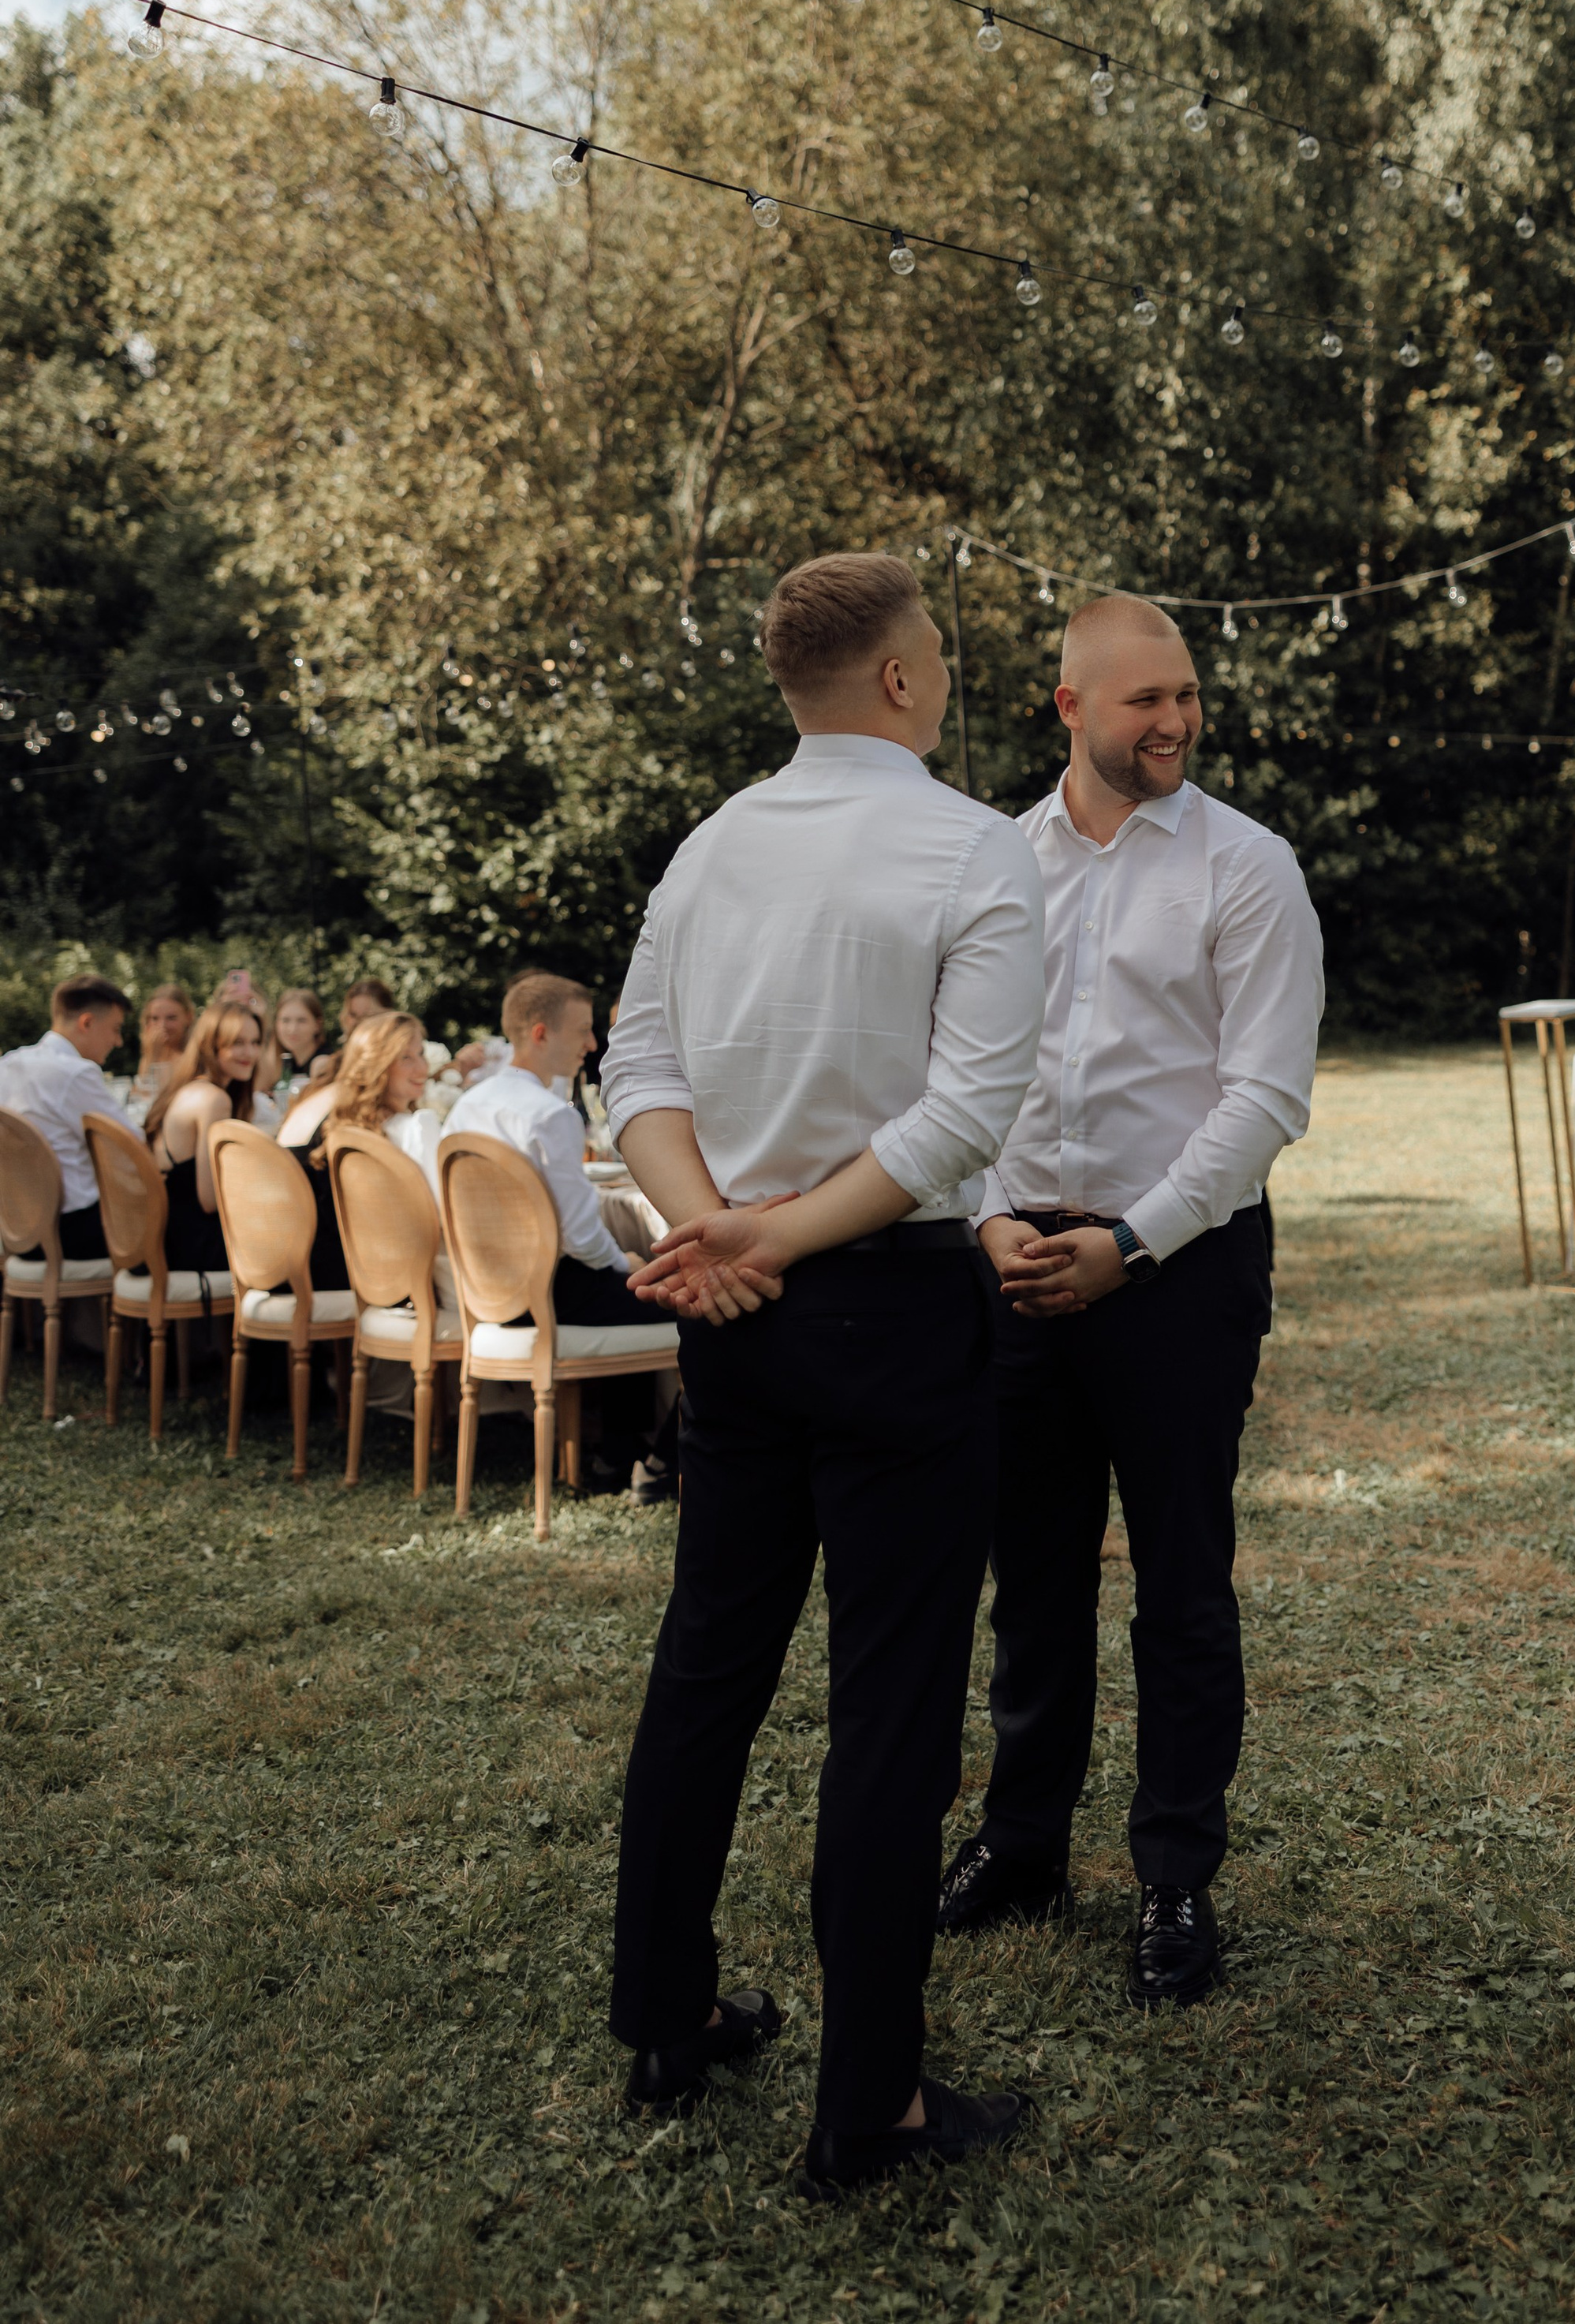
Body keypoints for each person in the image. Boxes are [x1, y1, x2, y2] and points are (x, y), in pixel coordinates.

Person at [600, 551, 1046, 2201]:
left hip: (736, 1312)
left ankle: (663, 2016)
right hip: (888, 1307)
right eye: (937, 654)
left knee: (707, 1667)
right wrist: (761, 1239)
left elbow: (632, 1066)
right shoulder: (971, 845)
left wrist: (714, 1226)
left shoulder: (712, 846)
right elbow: (959, 1123)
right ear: (902, 681)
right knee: (891, 1710)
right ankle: (870, 2112)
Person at [939, 593, 1324, 2012]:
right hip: (1015, 1266)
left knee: (1179, 1581)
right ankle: (1023, 1846)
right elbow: (961, 1068)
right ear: (1069, 710)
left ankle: (1173, 1875)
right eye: (1142, 699)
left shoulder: (1248, 867)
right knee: (1030, 1579)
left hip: (1181, 1265)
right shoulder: (992, 862)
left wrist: (1136, 1243)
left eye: (1187, 696)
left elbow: (1263, 1095)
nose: (1172, 722)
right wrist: (984, 1221)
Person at [440, 973, 645, 1317]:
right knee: (691, 1308)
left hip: (485, 1291)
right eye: (583, 1030)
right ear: (541, 1034)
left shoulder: (468, 1104)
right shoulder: (549, 1115)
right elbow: (580, 1237)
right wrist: (623, 1262)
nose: (593, 1044)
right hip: (553, 1294)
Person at [279, 1008, 443, 1287]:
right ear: (377, 1065)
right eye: (405, 1057)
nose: (422, 1068)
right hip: (336, 1274)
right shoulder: (373, 1129)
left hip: (287, 1267)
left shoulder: (327, 1102)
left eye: (421, 1054)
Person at [0, 973, 140, 1261]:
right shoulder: (75, 1072)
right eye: (115, 1029)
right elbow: (131, 1146)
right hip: (72, 1234)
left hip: (16, 1231)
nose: (117, 1041)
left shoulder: (8, 1064)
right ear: (87, 1023)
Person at [146, 999, 265, 1279]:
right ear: (212, 1046)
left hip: (167, 1238)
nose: (249, 1052)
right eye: (237, 1043)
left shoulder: (187, 1088)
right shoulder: (214, 1100)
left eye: (255, 1042)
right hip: (192, 1246)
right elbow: (210, 1200)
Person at [131, 985, 196, 1112]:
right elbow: (138, 1099)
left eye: (171, 1018)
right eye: (155, 1019)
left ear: (188, 1018)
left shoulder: (195, 1055)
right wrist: (151, 1057)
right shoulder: (150, 1054)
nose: (162, 1026)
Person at [271, 988, 329, 1102]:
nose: (292, 1029)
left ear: (317, 1025)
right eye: (285, 1020)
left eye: (301, 1021)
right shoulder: (279, 1062)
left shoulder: (325, 1062)